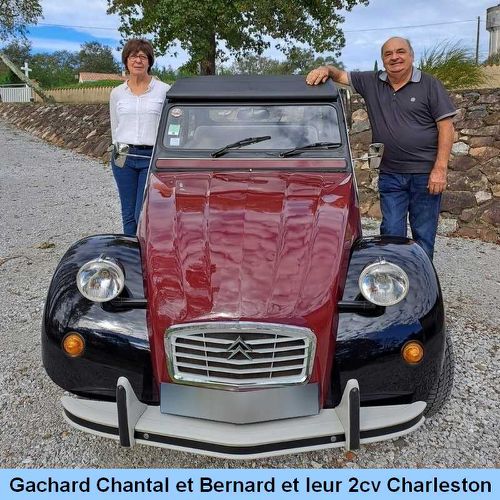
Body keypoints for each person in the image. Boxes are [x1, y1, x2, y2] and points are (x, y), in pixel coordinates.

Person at [306, 37, 456, 260]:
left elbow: (446, 127)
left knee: (423, 235)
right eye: (388, 54)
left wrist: (440, 169)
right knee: (391, 233)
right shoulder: (371, 81)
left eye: (400, 52)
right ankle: (393, 278)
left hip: (425, 175)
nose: (395, 57)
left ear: (411, 55)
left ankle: (420, 279)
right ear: (383, 60)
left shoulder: (430, 84)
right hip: (390, 174)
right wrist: (325, 69)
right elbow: (339, 75)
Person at [110, 38, 169, 235]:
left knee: (142, 213)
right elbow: (115, 126)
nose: (138, 61)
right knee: (127, 213)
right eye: (133, 56)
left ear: (149, 61)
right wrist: (116, 150)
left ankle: (147, 249)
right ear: (126, 61)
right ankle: (131, 251)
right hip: (123, 155)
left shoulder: (163, 90)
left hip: (150, 156)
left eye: (143, 57)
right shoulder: (117, 93)